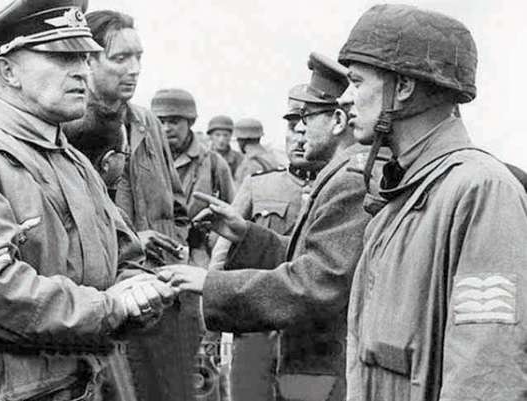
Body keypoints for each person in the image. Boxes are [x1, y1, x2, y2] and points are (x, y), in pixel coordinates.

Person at [0, 2, 177, 400]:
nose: (83, 71)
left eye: (85, 57)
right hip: (10, 387)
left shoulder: (75, 162)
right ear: (8, 71)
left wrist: (138, 290)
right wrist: (109, 307)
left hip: (92, 381)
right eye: (63, 58)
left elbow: (125, 259)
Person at [160, 52, 387, 401]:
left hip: (324, 362)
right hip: (308, 357)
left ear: (339, 121)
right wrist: (245, 234)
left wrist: (211, 285)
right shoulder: (338, 174)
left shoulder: (351, 180)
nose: (298, 129)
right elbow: (310, 257)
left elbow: (317, 281)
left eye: (306, 118)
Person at [335, 4, 527, 400]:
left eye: (356, 82)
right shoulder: (401, 197)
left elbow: (484, 375)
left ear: (404, 87)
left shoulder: (481, 191)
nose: (344, 98)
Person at [66, 10, 199, 401]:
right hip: (110, 304)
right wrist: (132, 240)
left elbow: (177, 208)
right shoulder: (67, 127)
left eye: (138, 57)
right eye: (120, 58)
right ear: (88, 61)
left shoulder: (147, 124)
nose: (135, 69)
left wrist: (176, 247)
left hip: (163, 298)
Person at [211, 88, 326, 401]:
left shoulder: (338, 188)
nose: (299, 137)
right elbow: (222, 256)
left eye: (305, 127)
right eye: (292, 127)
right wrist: (213, 330)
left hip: (310, 332)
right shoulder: (258, 184)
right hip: (256, 325)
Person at [151, 88, 234, 265]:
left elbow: (232, 213)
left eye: (174, 122)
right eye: (160, 121)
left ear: (190, 122)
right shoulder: (145, 159)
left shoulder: (213, 163)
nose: (166, 128)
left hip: (197, 253)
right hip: (154, 252)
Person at [232, 118, 280, 187]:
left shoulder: (249, 164)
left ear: (242, 141)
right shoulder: (272, 159)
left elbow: (242, 191)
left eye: (238, 139)